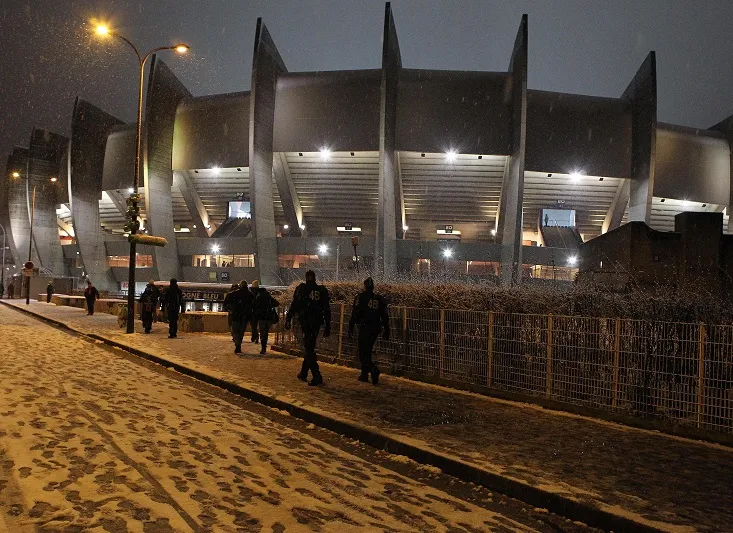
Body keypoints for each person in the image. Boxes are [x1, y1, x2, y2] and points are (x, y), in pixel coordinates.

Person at [285, 270, 331, 386]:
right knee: (309, 346)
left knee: (309, 348)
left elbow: (295, 304)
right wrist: (327, 325)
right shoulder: (321, 290)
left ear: (306, 278)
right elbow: (326, 309)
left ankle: (317, 375)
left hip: (306, 322)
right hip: (316, 322)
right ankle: (304, 372)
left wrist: (288, 318)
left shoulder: (302, 289)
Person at [348, 277, 390, 385]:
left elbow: (355, 313)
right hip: (375, 328)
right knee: (367, 351)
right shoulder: (378, 299)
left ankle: (373, 370)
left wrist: (351, 327)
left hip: (365, 327)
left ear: (365, 286)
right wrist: (387, 329)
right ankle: (364, 374)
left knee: (363, 353)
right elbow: (385, 315)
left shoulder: (361, 297)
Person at [251, 280, 279, 355]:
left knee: (263, 332)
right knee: (265, 332)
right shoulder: (268, 295)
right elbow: (276, 303)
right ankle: (264, 346)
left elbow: (255, 306)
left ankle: (263, 347)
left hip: (262, 317)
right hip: (269, 316)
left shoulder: (258, 296)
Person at [226, 282, 254, 354]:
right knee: (241, 332)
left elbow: (227, 300)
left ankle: (237, 344)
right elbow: (253, 305)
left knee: (235, 331)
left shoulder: (234, 293)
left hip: (235, 315)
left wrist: (229, 308)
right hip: (244, 317)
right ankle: (239, 344)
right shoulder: (250, 294)